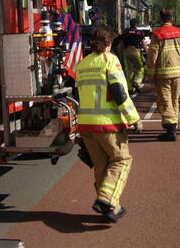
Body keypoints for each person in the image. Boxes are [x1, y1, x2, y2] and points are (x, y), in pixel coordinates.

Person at [75, 25, 141, 223]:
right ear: (108, 44)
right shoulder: (110, 60)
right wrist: (133, 119)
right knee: (122, 160)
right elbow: (119, 93)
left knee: (101, 166)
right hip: (107, 124)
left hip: (86, 125)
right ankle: (105, 199)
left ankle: (112, 209)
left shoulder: (82, 64)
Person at [146, 8, 180, 141]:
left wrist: (151, 76)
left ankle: (170, 130)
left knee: (165, 101)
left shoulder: (157, 34)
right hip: (178, 73)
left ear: (160, 18)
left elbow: (152, 58)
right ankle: (173, 125)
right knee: (175, 100)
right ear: (172, 18)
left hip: (163, 74)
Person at [120, 19, 146, 97]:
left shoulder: (125, 32)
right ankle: (136, 81)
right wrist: (147, 52)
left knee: (129, 69)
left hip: (126, 51)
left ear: (130, 24)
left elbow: (121, 43)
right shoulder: (139, 33)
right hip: (136, 51)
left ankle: (130, 88)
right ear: (136, 24)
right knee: (141, 67)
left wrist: (121, 54)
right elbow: (143, 44)